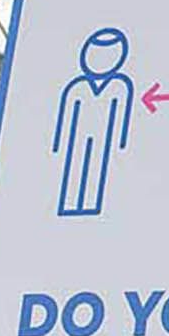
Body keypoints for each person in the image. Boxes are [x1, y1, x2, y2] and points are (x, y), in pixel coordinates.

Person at [54, 28, 134, 217]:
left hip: (102, 136)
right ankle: (70, 202)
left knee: (97, 168)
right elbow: (67, 118)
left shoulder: (118, 86)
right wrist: (60, 142)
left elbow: (120, 114)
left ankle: (90, 202)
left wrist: (121, 143)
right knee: (75, 166)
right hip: (78, 135)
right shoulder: (78, 87)